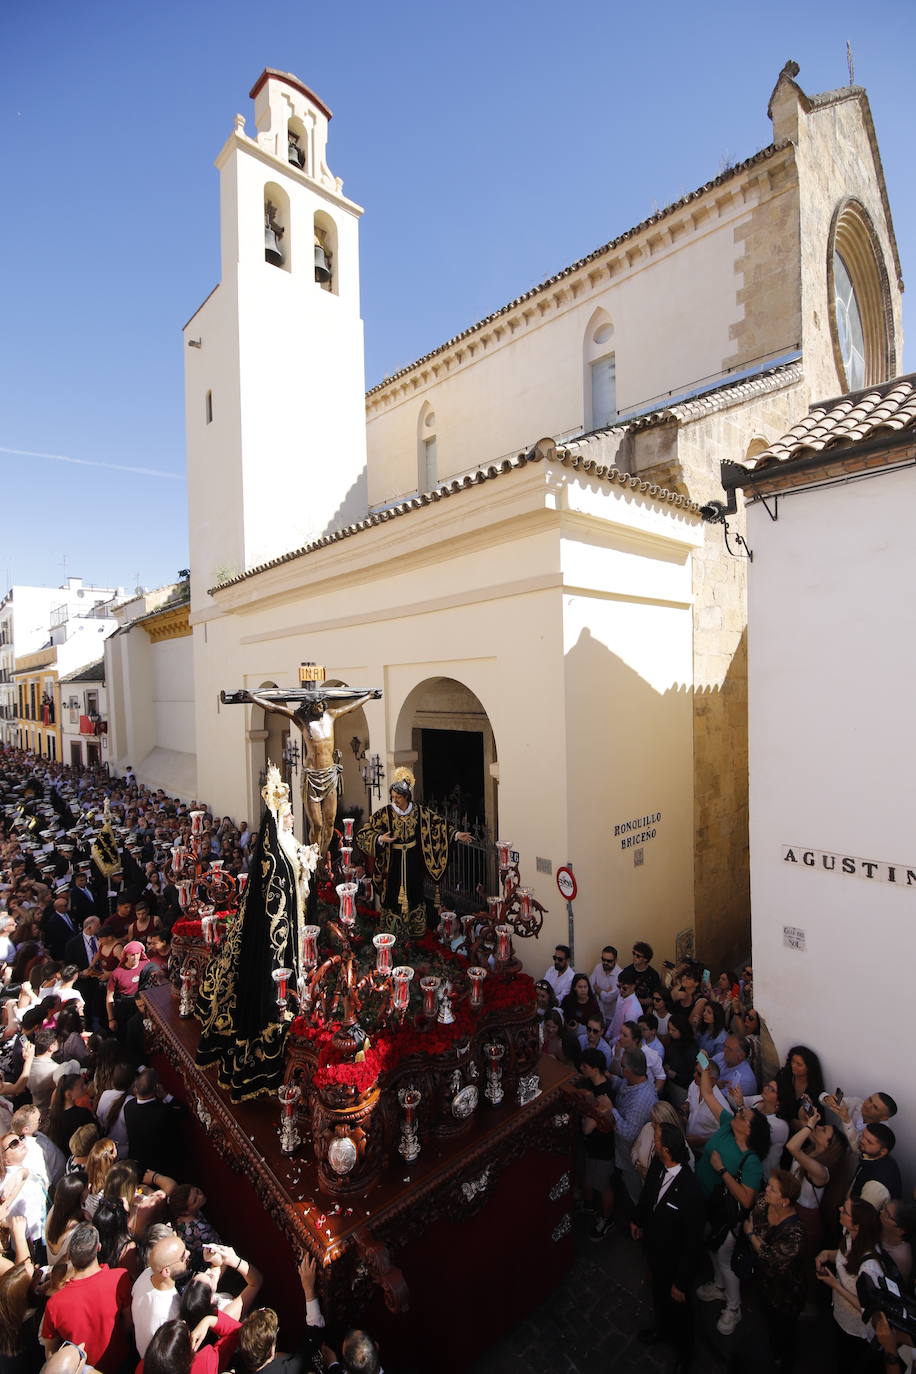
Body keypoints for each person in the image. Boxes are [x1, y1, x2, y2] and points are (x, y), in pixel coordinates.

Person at [236, 685, 382, 860]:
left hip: (330, 775)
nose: (319, 705)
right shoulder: (302, 719)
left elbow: (350, 708)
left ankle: (321, 857)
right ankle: (313, 855)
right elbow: (275, 708)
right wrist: (253, 698)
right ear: (308, 705)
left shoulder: (331, 716)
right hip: (312, 777)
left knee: (329, 822)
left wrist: (367, 697)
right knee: (318, 824)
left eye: (321, 702)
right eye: (315, 703)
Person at [695, 1063, 770, 1336]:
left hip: (726, 1214)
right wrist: (704, 1063)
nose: (738, 1114)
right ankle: (719, 1285)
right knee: (711, 1248)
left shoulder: (751, 1161)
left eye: (743, 1116)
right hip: (706, 1200)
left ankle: (734, 1307)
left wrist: (722, 1170)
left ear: (749, 1131)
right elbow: (709, 1092)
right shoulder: (727, 1124)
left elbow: (747, 1199)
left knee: (725, 1257)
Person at [631, 1121, 704, 1373]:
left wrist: (682, 1282)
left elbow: (692, 1243)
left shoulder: (690, 1190)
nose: (655, 1142)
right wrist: (638, 1220)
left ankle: (685, 1353)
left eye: (658, 1139)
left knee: (681, 1311)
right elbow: (648, 1196)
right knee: (658, 1296)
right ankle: (661, 1330)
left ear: (668, 1149)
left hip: (675, 1262)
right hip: (655, 1253)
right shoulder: (657, 1166)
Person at [40, 1222, 133, 1374]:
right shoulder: (120, 1278)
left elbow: (50, 1353)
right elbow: (128, 1325)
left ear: (69, 1255)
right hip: (120, 1365)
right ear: (99, 1247)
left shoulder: (54, 1304)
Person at [742, 1169, 806, 1370]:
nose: (766, 1190)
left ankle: (783, 1360)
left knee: (784, 1329)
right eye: (768, 1185)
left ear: (785, 1201)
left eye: (772, 1189)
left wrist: (751, 1235)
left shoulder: (795, 1232)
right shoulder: (763, 1201)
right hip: (764, 1283)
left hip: (785, 1292)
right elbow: (754, 1214)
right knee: (768, 1320)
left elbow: (771, 1256)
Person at [817, 1198, 886, 1371]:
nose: (840, 1208)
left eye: (845, 1211)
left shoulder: (869, 1268)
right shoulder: (850, 1236)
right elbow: (844, 1258)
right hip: (840, 1314)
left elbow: (868, 1309)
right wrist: (827, 1254)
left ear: (857, 1226)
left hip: (855, 1329)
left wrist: (835, 1285)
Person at [576, 1047, 616, 1241]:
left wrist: (586, 1111)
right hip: (593, 1147)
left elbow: (587, 1128)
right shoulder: (593, 1084)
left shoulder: (602, 1095)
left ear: (595, 1069)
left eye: (585, 1065)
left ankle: (607, 1219)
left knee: (603, 1184)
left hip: (601, 1148)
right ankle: (589, 1204)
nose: (581, 1068)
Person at [820, 1088, 899, 1152]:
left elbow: (858, 1148)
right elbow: (823, 1100)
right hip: (834, 1146)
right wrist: (827, 1099)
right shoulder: (857, 1103)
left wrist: (847, 1120)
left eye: (875, 1107)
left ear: (883, 1118)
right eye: (870, 1100)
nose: (867, 1105)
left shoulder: (882, 1132)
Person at [848, 1124, 902, 1210]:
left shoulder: (875, 1186)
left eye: (869, 1142)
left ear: (883, 1151)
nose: (862, 1141)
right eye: (863, 1136)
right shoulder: (873, 1155)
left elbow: (861, 1215)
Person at [776, 1044, 826, 1127]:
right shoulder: (784, 1076)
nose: (793, 1065)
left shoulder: (814, 1090)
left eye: (799, 1064)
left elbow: (816, 1120)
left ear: (809, 1068)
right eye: (793, 1061)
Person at [713, 1034, 758, 1099]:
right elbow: (704, 1067)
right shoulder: (722, 1056)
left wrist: (712, 1084)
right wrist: (701, 1057)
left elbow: (719, 1098)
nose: (724, 1050)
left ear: (740, 1056)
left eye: (729, 1049)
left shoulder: (745, 1080)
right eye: (725, 1046)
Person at [618, 942, 661, 1008]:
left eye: (638, 956)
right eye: (633, 953)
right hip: (627, 1008)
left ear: (645, 959)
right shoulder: (627, 971)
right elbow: (621, 993)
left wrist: (636, 1000)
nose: (634, 957)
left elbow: (655, 998)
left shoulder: (653, 975)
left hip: (644, 1011)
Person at [590, 946, 619, 1024]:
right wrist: (604, 991)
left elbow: (608, 998)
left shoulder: (619, 975)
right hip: (597, 1013)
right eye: (603, 959)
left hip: (611, 1017)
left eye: (609, 961)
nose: (605, 963)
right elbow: (590, 988)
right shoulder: (598, 967)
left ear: (615, 960)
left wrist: (598, 989)